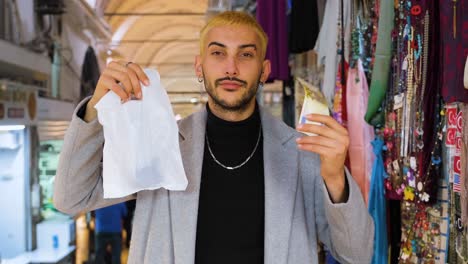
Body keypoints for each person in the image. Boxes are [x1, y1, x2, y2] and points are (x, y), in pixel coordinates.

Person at [54, 11, 374, 264]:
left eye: (245, 55)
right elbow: (71, 199)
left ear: (264, 70)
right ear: (200, 66)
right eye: (218, 53)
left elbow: (356, 255)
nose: (231, 68)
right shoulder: (159, 145)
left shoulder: (302, 154)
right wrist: (95, 109)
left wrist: (334, 177)